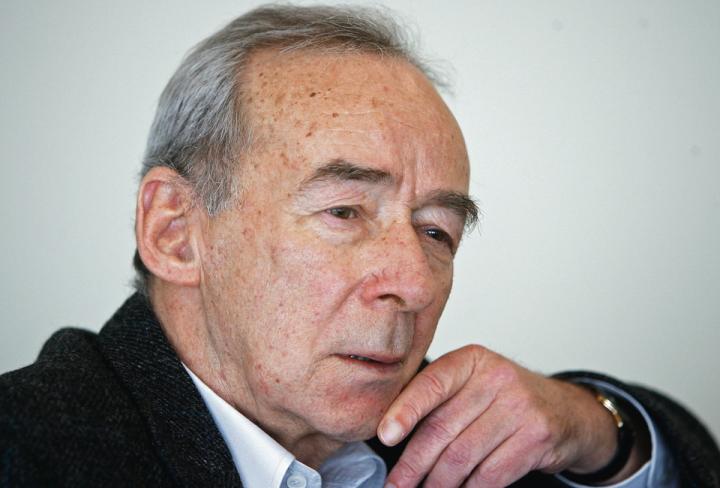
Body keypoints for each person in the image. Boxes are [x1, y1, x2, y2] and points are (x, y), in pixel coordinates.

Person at [1, 4, 718, 488]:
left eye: (436, 231)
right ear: (176, 232)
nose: (414, 281)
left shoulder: (475, 448)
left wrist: (597, 432)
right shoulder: (28, 448)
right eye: (344, 211)